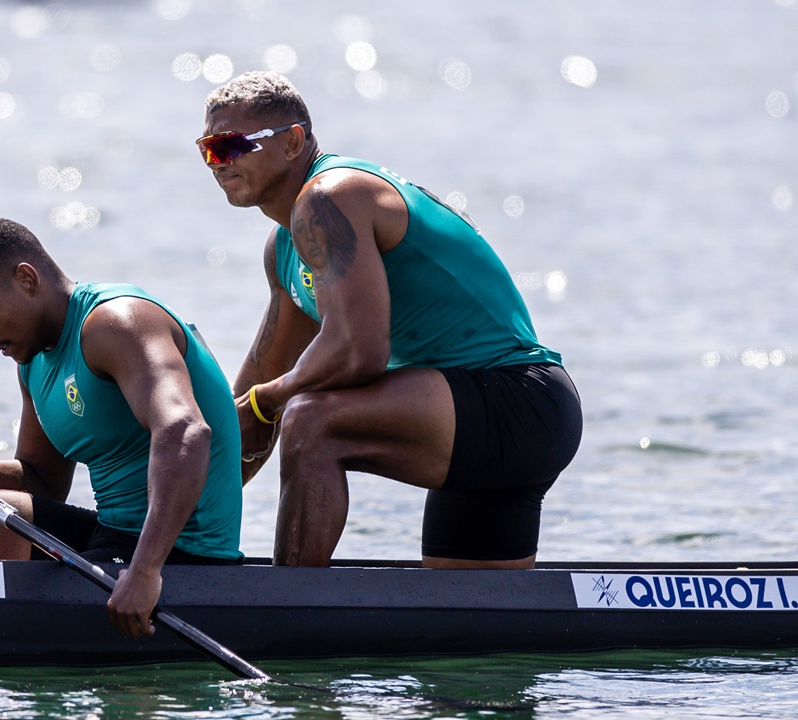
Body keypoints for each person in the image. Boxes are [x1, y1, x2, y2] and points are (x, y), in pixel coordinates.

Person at [196, 71, 582, 569]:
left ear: (293, 142)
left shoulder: (328, 198)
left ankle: (293, 607)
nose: (218, 163)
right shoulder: (285, 248)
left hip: (516, 400)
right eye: (209, 150)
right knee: (468, 626)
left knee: (311, 422)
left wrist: (268, 403)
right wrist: (165, 535)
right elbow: (248, 403)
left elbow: (357, 353)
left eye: (232, 145)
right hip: (471, 419)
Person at [0, 217, 243, 638]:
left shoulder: (114, 323)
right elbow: (42, 483)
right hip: (110, 535)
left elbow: (186, 431)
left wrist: (146, 570)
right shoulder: (32, 363)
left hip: (181, 554)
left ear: (26, 279)